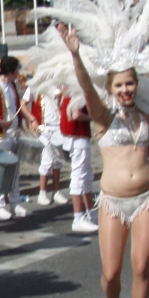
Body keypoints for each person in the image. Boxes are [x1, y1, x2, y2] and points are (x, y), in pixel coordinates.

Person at [60, 25, 149, 298]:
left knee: (142, 266)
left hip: (147, 199)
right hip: (113, 202)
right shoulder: (102, 117)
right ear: (111, 88)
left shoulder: (145, 116)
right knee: (111, 273)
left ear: (136, 84)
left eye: (130, 83)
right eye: (119, 84)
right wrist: (75, 54)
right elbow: (86, 88)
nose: (126, 89)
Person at [0, 56, 36, 220]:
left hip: (13, 133)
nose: (19, 73)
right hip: (0, 135)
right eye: (17, 70)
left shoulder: (11, 86)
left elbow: (17, 108)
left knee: (15, 170)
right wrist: (0, 122)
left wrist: (27, 120)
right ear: (10, 71)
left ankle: (15, 202)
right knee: (0, 171)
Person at [60, 96, 98, 234]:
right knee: (79, 176)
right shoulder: (75, 91)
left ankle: (90, 212)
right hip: (77, 136)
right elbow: (76, 115)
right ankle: (78, 217)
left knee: (86, 175)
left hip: (77, 136)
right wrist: (94, 117)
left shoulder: (72, 90)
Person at [32, 88, 68, 206]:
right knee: (47, 161)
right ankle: (42, 193)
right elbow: (23, 103)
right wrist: (32, 120)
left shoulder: (60, 85)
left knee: (58, 161)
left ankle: (56, 191)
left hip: (59, 126)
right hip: (45, 128)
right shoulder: (38, 85)